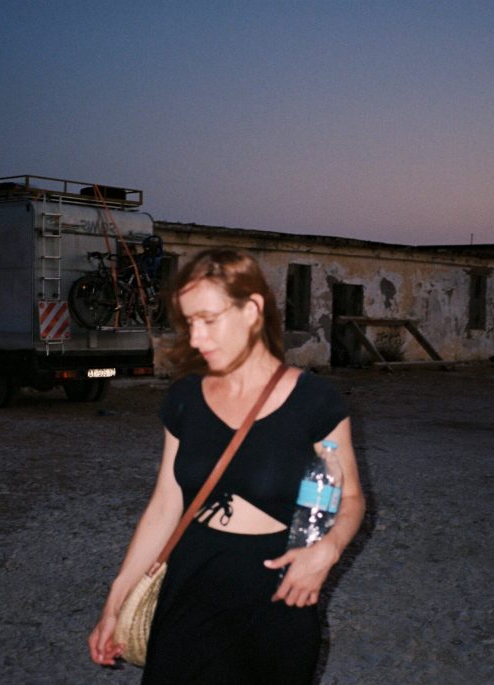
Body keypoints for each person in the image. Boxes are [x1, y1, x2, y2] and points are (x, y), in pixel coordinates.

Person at [88, 248, 365, 683]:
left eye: (209, 320)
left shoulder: (315, 401)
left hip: (278, 594)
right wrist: (114, 604)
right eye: (189, 323)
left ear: (252, 309)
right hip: (190, 584)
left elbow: (349, 497)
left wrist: (328, 550)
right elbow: (166, 503)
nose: (196, 338)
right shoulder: (184, 399)